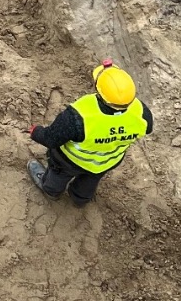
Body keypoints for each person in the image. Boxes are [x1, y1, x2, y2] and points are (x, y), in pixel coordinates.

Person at [27, 61, 152, 206]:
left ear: (100, 93)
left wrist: (36, 132)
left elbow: (51, 139)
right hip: (106, 162)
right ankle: (80, 199)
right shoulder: (142, 113)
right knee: (90, 180)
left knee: (58, 175)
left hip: (69, 161)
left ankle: (51, 191)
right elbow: (147, 129)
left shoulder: (79, 116)